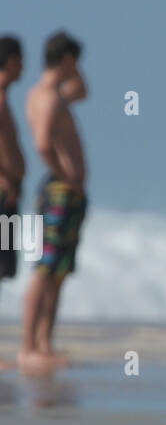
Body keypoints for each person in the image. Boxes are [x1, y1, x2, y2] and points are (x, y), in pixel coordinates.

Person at [18, 31, 89, 372]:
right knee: (46, 269)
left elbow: (84, 91)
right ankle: (28, 346)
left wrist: (71, 68)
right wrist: (66, 175)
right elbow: (43, 144)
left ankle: (43, 343)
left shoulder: (54, 94)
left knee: (58, 271)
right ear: (66, 59)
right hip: (59, 189)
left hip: (66, 189)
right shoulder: (47, 97)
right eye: (75, 61)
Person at [0, 37, 26, 311]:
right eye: (21, 60)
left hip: (9, 190)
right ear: (10, 61)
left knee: (5, 268)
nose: (24, 67)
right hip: (3, 189)